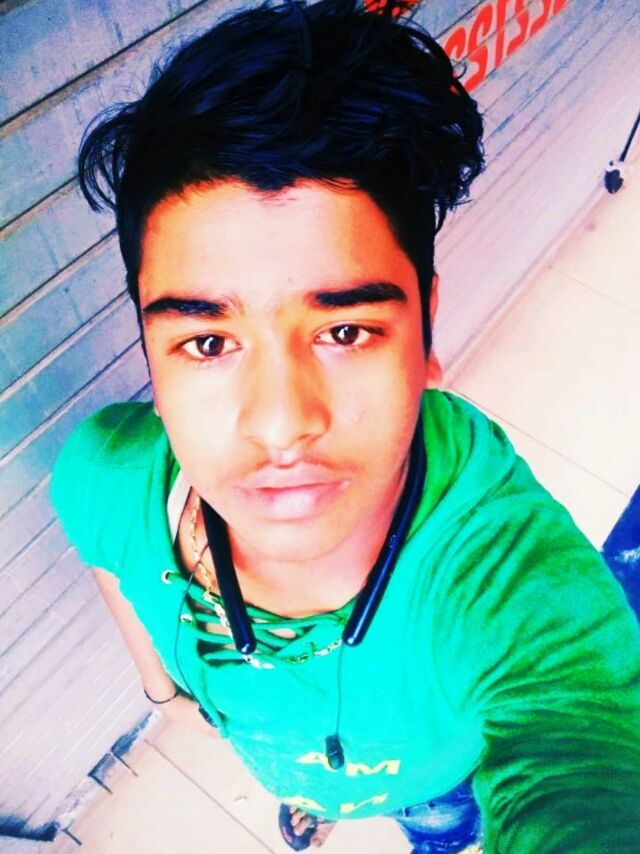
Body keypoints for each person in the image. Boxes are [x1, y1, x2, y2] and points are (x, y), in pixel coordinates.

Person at [51, 0, 640, 851]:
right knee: (301, 785)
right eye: (208, 342)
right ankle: (314, 800)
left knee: (441, 824)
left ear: (425, 330)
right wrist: (163, 692)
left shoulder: (508, 580)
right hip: (279, 759)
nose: (282, 425)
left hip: (433, 780)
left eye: (345, 331)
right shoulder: (103, 473)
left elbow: (580, 752)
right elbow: (109, 561)